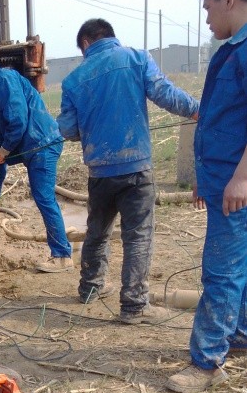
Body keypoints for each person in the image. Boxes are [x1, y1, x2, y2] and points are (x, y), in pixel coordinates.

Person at [58, 19, 199, 317]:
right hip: (136, 167)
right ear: (110, 36)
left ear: (86, 43)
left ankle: (90, 288)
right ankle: (134, 305)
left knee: (97, 231)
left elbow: (68, 129)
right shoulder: (137, 58)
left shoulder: (73, 80)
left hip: (99, 173)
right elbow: (166, 94)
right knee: (137, 236)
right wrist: (198, 110)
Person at [167, 0, 247, 393]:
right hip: (225, 179)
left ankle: (207, 362)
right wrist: (205, 176)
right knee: (240, 266)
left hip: (237, 184)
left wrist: (240, 180)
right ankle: (240, 334)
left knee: (222, 270)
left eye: (208, 8)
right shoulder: (233, 50)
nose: (207, 19)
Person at [0, 42, 73, 273]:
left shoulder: (5, 81)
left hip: (42, 143)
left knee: (43, 197)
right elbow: (2, 130)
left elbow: (18, 122)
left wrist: (2, 152)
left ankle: (62, 255)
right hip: (26, 143)